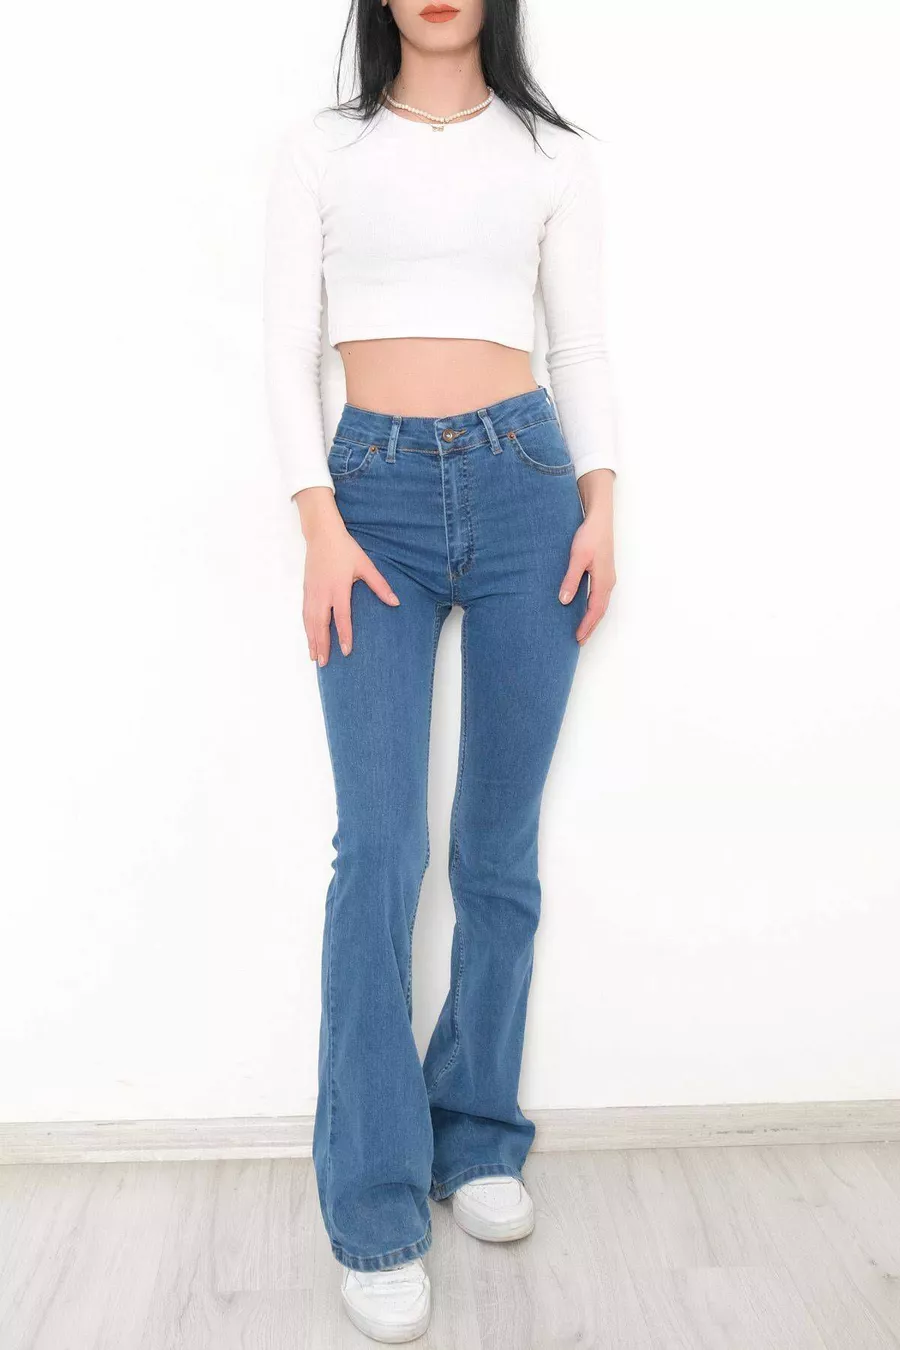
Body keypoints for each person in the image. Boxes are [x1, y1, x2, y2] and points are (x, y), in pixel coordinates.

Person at [264, 0, 618, 1339]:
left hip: (530, 485)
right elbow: (284, 349)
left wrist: (601, 503)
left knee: (497, 848)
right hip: (373, 500)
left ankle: (477, 1130)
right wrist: (318, 522)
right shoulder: (322, 149)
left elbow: (579, 345)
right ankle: (373, 1199)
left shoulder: (550, 153)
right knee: (381, 851)